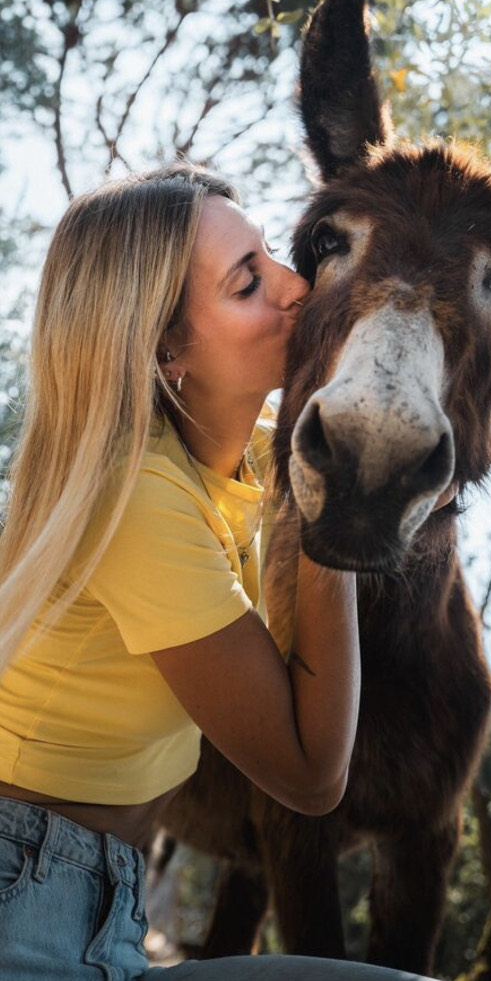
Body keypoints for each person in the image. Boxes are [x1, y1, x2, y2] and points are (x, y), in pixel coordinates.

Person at [0, 164, 439, 980]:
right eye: (247, 283)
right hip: (23, 902)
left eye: (272, 253)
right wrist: (329, 505)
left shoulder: (244, 456)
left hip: (104, 907)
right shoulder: (136, 498)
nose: (296, 286)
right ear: (168, 349)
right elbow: (311, 775)